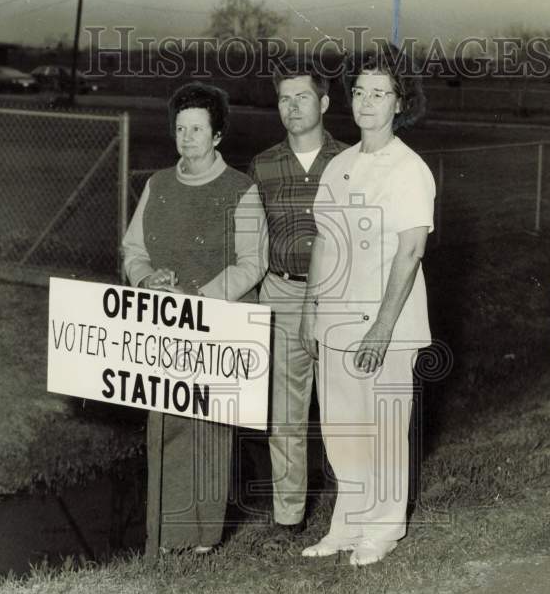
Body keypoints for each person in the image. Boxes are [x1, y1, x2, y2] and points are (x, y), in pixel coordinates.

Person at [299, 48, 434, 567]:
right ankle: (346, 526)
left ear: (400, 103)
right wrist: (312, 310)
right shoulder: (339, 165)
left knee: (382, 429)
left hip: (387, 326)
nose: (367, 103)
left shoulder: (410, 169)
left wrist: (381, 327)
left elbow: (411, 251)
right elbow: (324, 243)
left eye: (380, 93)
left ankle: (382, 530)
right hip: (334, 320)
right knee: (342, 430)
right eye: (359, 92)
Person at [121, 81, 267, 554]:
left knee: (209, 429)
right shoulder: (157, 185)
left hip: (218, 322)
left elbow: (253, 261)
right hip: (163, 324)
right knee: (163, 423)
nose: (187, 138)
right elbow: (133, 250)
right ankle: (165, 536)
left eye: (198, 129)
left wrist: (200, 296)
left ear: (218, 134)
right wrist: (147, 280)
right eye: (181, 128)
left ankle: (203, 539)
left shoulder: (241, 190)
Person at [248, 58, 348, 551]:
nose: (292, 107)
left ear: (324, 102)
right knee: (285, 413)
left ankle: (355, 505)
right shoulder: (263, 166)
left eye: (302, 97)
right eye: (284, 99)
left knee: (344, 405)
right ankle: (289, 517)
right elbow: (251, 242)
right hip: (283, 292)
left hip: (338, 294)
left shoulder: (350, 160)